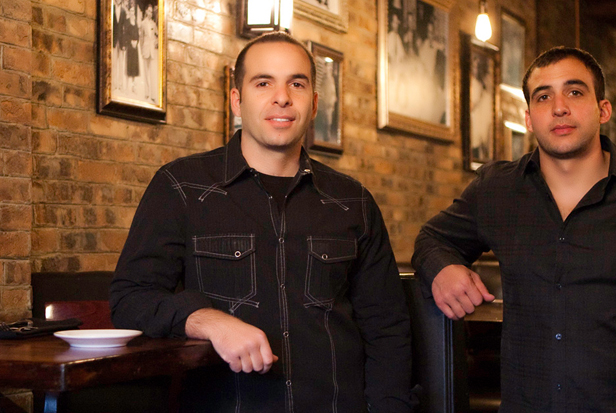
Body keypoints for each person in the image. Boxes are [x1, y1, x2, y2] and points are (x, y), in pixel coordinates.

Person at [412, 46, 616, 412]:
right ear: (529, 119)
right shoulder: (497, 191)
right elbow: (432, 238)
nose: (559, 107)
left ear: (603, 110)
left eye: (574, 91)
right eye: (543, 96)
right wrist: (441, 267)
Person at [111, 31, 416, 412]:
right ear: (236, 100)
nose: (282, 97)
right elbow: (130, 298)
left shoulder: (353, 202)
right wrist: (207, 320)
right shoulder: (181, 187)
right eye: (263, 83)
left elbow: (387, 330)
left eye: (297, 84)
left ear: (314, 103)